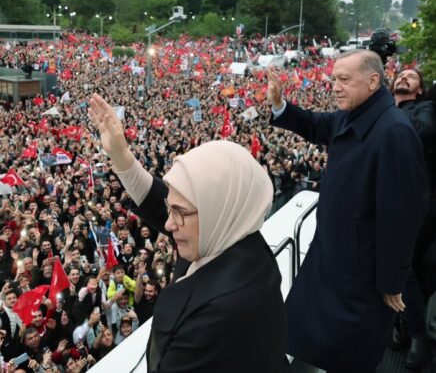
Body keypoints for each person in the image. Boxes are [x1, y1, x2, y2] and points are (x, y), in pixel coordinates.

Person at [88, 93, 290, 372]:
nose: (168, 225)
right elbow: (162, 202)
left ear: (217, 210)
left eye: (180, 213)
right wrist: (121, 155)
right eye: (171, 210)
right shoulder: (234, 236)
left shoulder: (218, 317)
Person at [267, 50, 429, 372]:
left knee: (351, 350)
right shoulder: (354, 113)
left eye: (343, 80)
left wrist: (391, 281)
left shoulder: (394, 131)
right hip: (333, 255)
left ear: (372, 81)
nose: (335, 87)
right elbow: (315, 124)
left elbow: (403, 216)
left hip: (362, 270)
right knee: (304, 330)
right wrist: (279, 105)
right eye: (333, 80)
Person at [389, 67, 436, 368]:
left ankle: (418, 335)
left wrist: (393, 112)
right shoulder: (384, 110)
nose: (404, 77)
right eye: (400, 74)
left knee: (400, 264)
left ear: (419, 90)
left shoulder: (425, 109)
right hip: (391, 202)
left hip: (421, 203)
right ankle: (401, 322)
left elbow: (422, 131)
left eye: (411, 76)